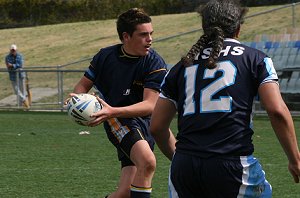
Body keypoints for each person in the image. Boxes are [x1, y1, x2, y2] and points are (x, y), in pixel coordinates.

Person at [150, 0, 300, 197]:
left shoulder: (180, 67)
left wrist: (179, 157)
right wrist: (295, 159)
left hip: (184, 166)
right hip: (232, 164)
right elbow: (277, 111)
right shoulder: (255, 59)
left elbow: (156, 127)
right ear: (238, 28)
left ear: (204, 28)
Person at [69, 8, 167, 198]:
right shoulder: (105, 57)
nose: (150, 39)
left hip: (143, 121)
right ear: (126, 36)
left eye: (151, 34)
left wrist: (113, 111)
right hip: (118, 119)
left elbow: (150, 105)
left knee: (124, 193)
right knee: (148, 162)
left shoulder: (154, 63)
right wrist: (77, 102)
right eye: (143, 34)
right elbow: (82, 86)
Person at [5, 44, 30, 108]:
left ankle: (22, 107)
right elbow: (8, 65)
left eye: (14, 50)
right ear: (10, 50)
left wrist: (12, 65)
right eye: (12, 50)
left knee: (22, 91)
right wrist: (14, 65)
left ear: (16, 50)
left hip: (20, 75)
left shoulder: (20, 56)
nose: (13, 51)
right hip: (13, 76)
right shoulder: (7, 57)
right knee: (16, 91)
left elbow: (20, 65)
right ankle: (24, 101)